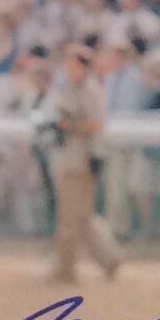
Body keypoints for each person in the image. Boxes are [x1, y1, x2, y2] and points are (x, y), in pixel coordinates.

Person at [45, 44, 122, 282]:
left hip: (81, 160)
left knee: (70, 217)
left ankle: (65, 268)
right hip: (69, 157)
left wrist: (71, 125)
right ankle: (109, 258)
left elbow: (97, 123)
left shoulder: (90, 89)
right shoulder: (68, 87)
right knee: (82, 216)